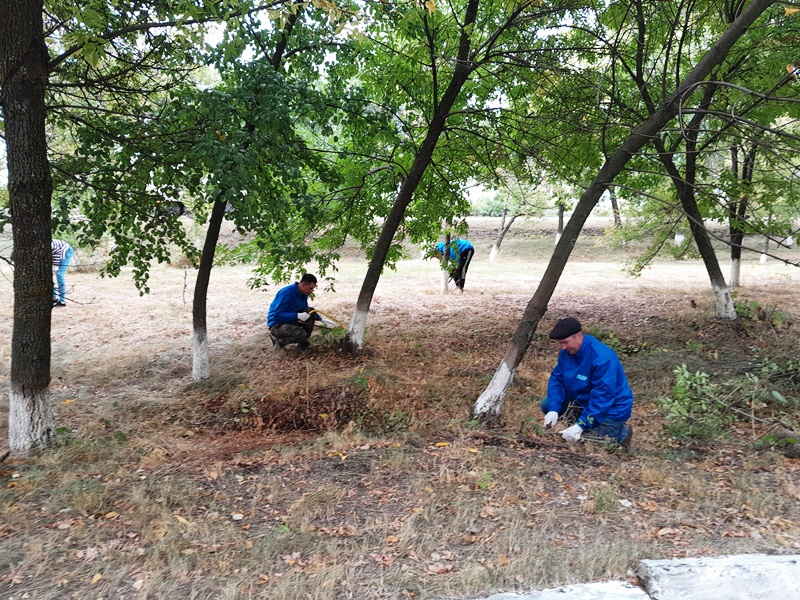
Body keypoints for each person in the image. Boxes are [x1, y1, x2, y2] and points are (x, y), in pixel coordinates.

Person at [541, 317, 634, 447]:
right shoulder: (567, 352)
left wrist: (581, 425)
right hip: (582, 402)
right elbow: (557, 379)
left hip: (610, 410)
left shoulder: (603, 359)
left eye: (565, 342)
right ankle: (582, 426)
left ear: (578, 336)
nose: (562, 347)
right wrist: (553, 409)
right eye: (560, 343)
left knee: (586, 442)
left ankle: (621, 433)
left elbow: (603, 397)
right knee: (546, 404)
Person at [267, 274, 323, 350]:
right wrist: (297, 316)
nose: (311, 291)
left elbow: (305, 309)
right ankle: (280, 341)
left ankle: (302, 344)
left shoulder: (303, 293)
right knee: (300, 334)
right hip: (277, 325)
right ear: (303, 285)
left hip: (291, 321)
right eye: (310, 288)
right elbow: (277, 315)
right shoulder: (286, 293)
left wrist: (320, 319)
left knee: (311, 311)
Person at [52, 239, 74, 308]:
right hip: (58, 253)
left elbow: (57, 251)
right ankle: (54, 297)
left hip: (66, 250)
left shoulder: (50, 244)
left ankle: (62, 301)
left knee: (59, 274)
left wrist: (55, 266)